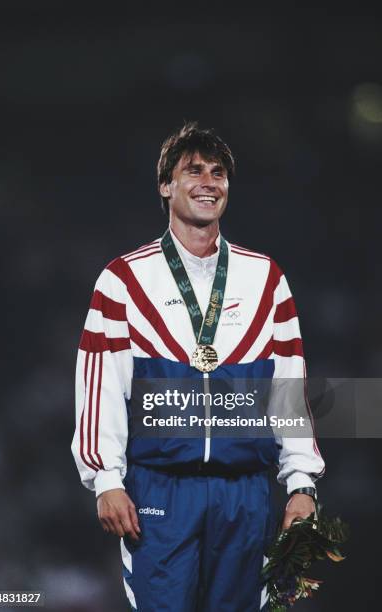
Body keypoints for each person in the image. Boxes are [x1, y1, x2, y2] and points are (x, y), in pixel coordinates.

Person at [71, 122, 325, 611]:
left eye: (219, 172)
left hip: (245, 494)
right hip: (160, 493)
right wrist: (106, 479)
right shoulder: (124, 279)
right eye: (193, 171)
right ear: (166, 186)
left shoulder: (265, 277)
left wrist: (301, 483)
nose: (209, 181)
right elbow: (100, 385)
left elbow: (290, 384)